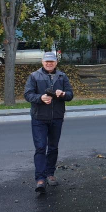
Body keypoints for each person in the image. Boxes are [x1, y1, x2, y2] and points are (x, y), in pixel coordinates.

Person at [24, 52, 73, 194]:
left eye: (51, 61)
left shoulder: (62, 76)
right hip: (39, 117)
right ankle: (40, 178)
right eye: (46, 61)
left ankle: (50, 174)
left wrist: (63, 94)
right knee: (40, 147)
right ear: (42, 62)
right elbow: (28, 94)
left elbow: (70, 95)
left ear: (56, 62)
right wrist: (41, 98)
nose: (49, 63)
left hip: (56, 117)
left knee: (53, 147)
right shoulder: (34, 76)